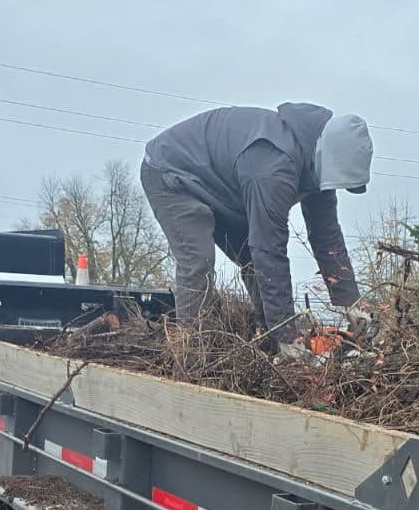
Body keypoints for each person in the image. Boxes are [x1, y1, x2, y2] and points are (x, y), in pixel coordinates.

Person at [139, 102, 373, 358]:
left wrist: (351, 301)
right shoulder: (273, 163)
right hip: (172, 173)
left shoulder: (319, 164)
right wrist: (288, 333)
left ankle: (271, 347)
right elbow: (269, 249)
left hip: (225, 188)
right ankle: (193, 359)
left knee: (251, 259)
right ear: (326, 157)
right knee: (198, 261)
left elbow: (326, 236)